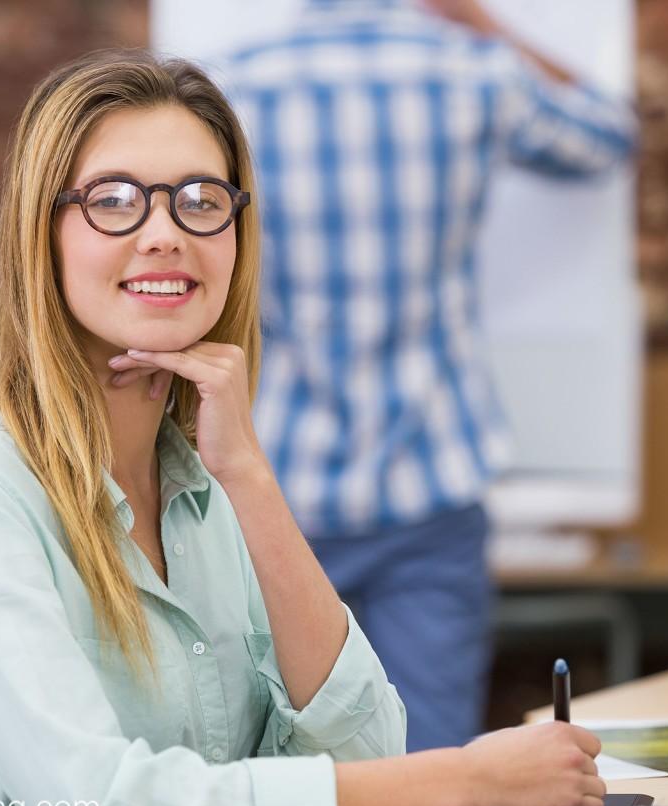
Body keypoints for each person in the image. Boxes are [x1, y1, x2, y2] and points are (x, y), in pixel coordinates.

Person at [0, 50, 607, 806]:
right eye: (115, 200)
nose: (164, 235)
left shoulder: (203, 489)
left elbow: (364, 751)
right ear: (42, 230)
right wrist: (464, 779)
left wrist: (248, 476)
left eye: (200, 200)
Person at [222, 0, 638, 751]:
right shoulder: (471, 70)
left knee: (286, 761)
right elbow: (610, 132)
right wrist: (484, 22)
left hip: (281, 490)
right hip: (432, 481)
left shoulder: (236, 90)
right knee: (432, 757)